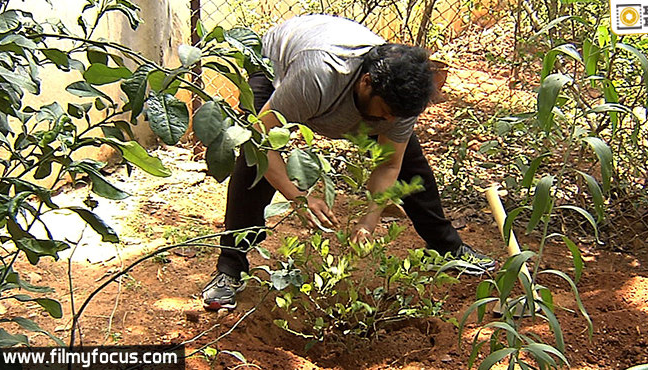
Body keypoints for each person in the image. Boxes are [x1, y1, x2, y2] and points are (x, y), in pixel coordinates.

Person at [202, 14, 496, 311]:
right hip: (281, 61)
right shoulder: (315, 77)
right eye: (385, 112)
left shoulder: (402, 99)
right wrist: (298, 197)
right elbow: (259, 141)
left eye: (397, 117)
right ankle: (229, 268)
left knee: (410, 163)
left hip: (339, 82)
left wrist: (369, 221)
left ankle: (449, 248)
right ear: (366, 83)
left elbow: (389, 165)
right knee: (253, 166)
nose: (389, 122)